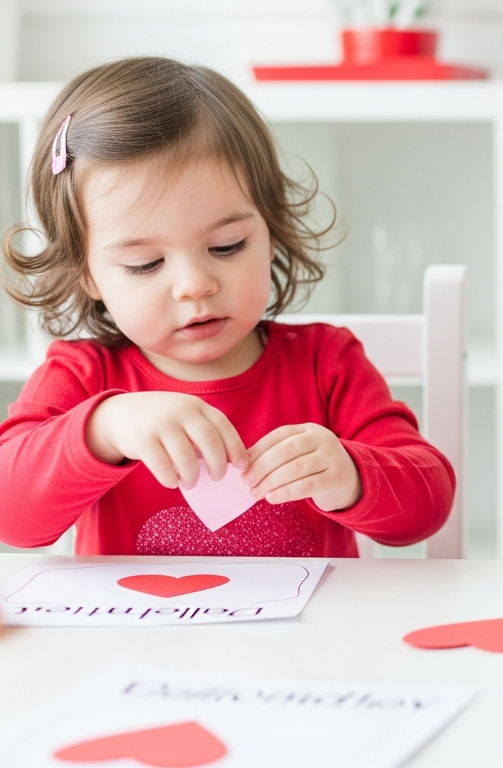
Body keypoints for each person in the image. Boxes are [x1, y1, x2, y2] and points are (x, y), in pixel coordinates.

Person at [0, 57, 454, 556]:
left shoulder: (327, 362)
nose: (194, 285)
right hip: (136, 634)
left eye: (227, 246)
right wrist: (103, 429)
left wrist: (350, 474)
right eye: (146, 263)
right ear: (86, 272)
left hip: (313, 633)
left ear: (271, 231)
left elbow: (428, 502)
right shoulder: (83, 376)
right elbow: (12, 517)